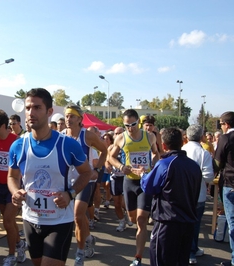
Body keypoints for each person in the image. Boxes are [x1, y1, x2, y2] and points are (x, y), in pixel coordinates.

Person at [8, 88, 93, 266]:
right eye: (28, 107)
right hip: (30, 219)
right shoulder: (18, 145)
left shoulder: (67, 144)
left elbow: (87, 172)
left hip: (59, 220)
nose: (31, 112)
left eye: (37, 107)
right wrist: (15, 192)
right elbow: (12, 177)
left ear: (49, 112)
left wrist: (70, 194)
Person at [137, 127, 202, 265]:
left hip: (168, 222)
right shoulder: (193, 165)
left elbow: (149, 187)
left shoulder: (165, 164)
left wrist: (143, 175)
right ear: (182, 142)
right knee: (180, 261)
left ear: (164, 145)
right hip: (188, 221)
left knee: (161, 260)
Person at [108, 109, 159, 266]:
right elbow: (111, 157)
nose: (130, 128)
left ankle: (138, 257)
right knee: (132, 219)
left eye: (133, 124)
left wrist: (152, 167)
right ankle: (139, 236)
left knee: (141, 220)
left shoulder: (149, 136)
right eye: (126, 125)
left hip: (144, 182)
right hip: (129, 182)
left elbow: (156, 153)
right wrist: (122, 166)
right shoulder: (121, 138)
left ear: (139, 122)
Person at [63, 104, 108, 266]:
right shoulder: (61, 136)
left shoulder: (87, 136)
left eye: (72, 116)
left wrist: (97, 169)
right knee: (78, 218)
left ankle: (80, 253)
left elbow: (104, 150)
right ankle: (88, 238)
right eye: (67, 116)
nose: (68, 119)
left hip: (86, 180)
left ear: (80, 119)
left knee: (77, 216)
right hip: (67, 181)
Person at [0, 109, 28, 266]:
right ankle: (20, 245)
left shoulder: (17, 141)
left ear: (3, 126)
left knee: (8, 221)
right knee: (8, 222)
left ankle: (11, 255)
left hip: (15, 187)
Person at [182, 124, 214, 264]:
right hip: (197, 194)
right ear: (201, 136)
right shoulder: (203, 153)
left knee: (183, 223)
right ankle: (191, 252)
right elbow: (209, 177)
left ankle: (187, 250)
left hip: (181, 194)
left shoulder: (181, 149)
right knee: (194, 224)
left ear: (187, 136)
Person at [214, 111, 234, 266]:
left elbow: (218, 162)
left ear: (226, 124)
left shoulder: (226, 138)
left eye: (220, 124)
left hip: (230, 184)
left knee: (232, 222)